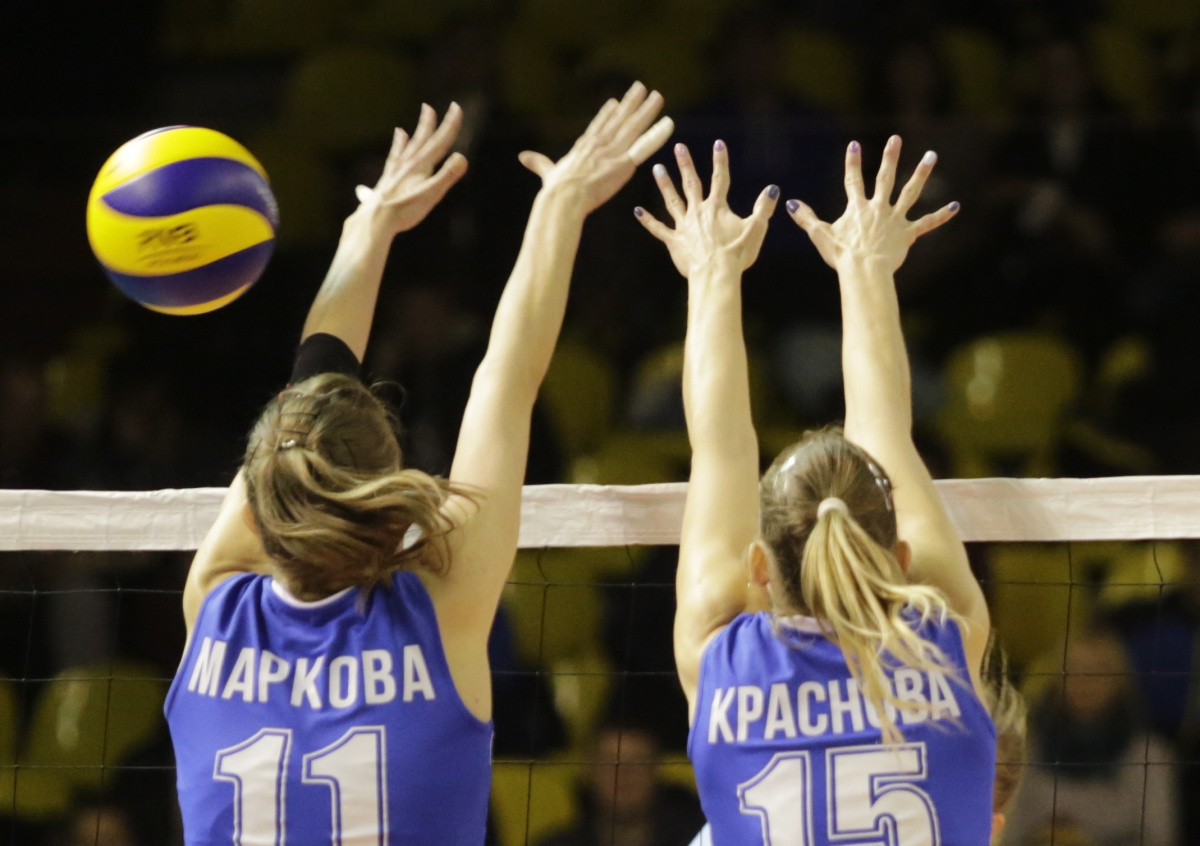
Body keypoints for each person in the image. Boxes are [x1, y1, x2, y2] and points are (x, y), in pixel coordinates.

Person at [164, 84, 673, 845]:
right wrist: (559, 205)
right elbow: (507, 378)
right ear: (384, 484)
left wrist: (365, 226)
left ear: (265, 498)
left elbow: (301, 416)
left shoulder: (216, 602)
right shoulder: (441, 608)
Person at [635, 135, 994, 844]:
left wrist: (712, 273)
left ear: (759, 567)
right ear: (899, 558)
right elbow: (886, 430)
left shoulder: (718, 657)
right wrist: (867, 268)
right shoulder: (944, 639)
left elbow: (720, 448)